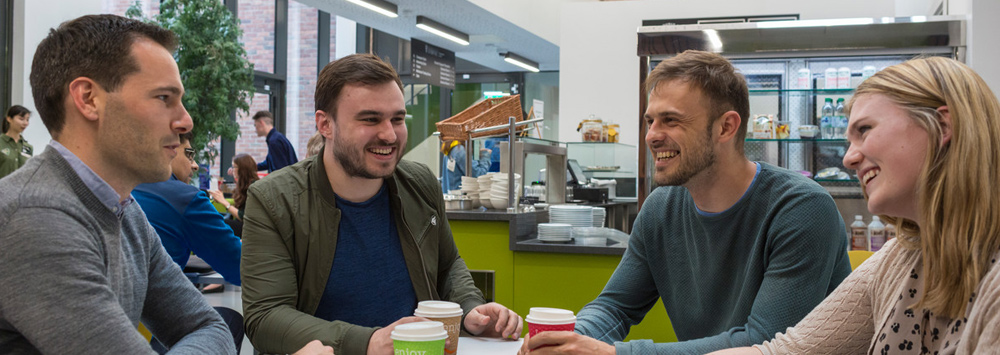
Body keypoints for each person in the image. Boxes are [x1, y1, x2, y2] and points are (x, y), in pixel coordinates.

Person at [0, 14, 330, 355]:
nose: (185, 121)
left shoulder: (123, 210)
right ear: (88, 98)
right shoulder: (34, 219)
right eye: (163, 98)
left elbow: (207, 325)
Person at [520, 50, 851, 355]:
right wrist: (564, 339)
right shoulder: (660, 208)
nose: (651, 135)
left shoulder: (802, 209)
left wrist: (616, 353)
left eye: (671, 120)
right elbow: (615, 307)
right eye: (650, 121)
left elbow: (762, 342)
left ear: (726, 127)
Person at [710, 57, 1000, 355]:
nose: (848, 159)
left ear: (941, 125)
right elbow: (785, 351)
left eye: (865, 130)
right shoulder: (902, 257)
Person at [241, 53, 523, 355]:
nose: (389, 134)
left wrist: (470, 309)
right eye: (370, 119)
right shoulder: (275, 201)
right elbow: (266, 316)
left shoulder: (420, 183)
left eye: (397, 119)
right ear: (326, 125)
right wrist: (367, 343)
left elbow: (447, 265)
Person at [133, 132, 243, 286]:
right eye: (189, 155)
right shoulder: (185, 198)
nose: (195, 165)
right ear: (169, 150)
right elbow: (239, 268)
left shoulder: (125, 188)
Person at [210, 153, 259, 222]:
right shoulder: (245, 184)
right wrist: (220, 199)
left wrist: (224, 202)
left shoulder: (252, 187)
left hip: (247, 228)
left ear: (242, 169)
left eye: (233, 167)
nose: (231, 169)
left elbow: (242, 216)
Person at [0, 105, 33, 179]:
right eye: (21, 119)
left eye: (27, 120)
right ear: (9, 119)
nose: (25, 123)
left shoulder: (28, 148)